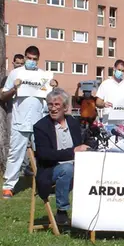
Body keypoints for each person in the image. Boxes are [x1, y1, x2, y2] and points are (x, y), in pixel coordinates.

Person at [0, 45, 56, 199]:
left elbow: (52, 100)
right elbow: (3, 96)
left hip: (39, 122)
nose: (31, 61)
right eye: (29, 58)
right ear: (24, 57)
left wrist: (54, 87)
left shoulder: (44, 76)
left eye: (34, 59)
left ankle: (44, 184)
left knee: (43, 155)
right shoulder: (15, 73)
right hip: (20, 121)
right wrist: (14, 88)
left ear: (38, 59)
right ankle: (8, 186)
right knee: (15, 154)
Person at [33, 88, 89, 225]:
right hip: (51, 169)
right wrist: (73, 151)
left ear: (65, 107)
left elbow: (82, 143)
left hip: (77, 166)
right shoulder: (41, 127)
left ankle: (90, 214)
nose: (53, 108)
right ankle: (62, 211)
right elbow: (44, 155)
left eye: (57, 105)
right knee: (67, 169)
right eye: (50, 105)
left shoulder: (73, 123)